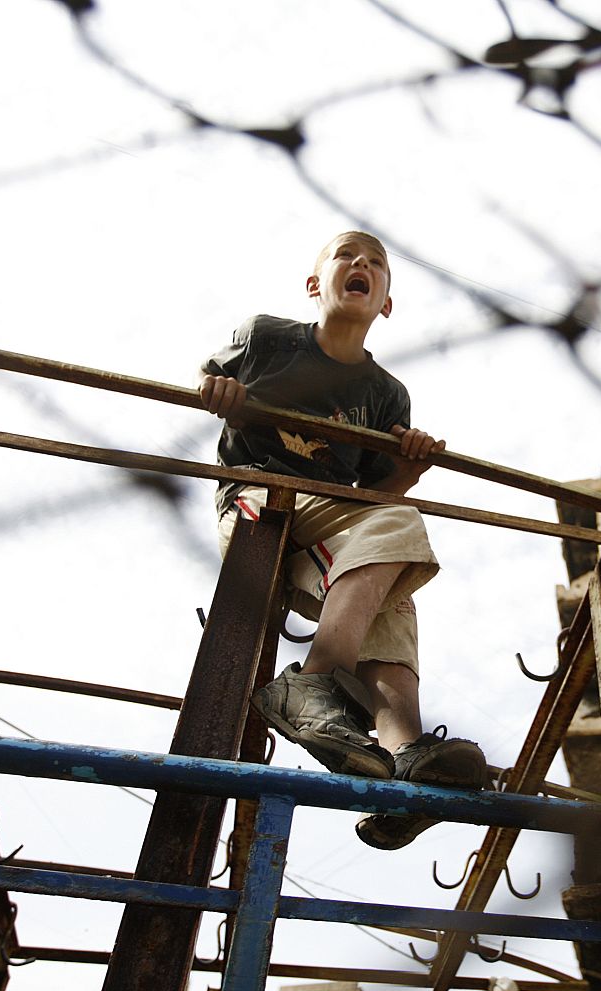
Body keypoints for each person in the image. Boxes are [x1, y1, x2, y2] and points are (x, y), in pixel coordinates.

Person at [198, 230, 487, 849]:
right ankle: (316, 678)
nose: (361, 265)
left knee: (394, 592)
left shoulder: (386, 394)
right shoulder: (269, 337)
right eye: (346, 257)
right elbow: (208, 377)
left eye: (376, 264)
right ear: (315, 285)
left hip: (336, 526)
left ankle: (402, 753)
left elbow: (382, 494)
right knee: (400, 531)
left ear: (385, 301)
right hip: (258, 502)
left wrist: (411, 463)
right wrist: (215, 389)